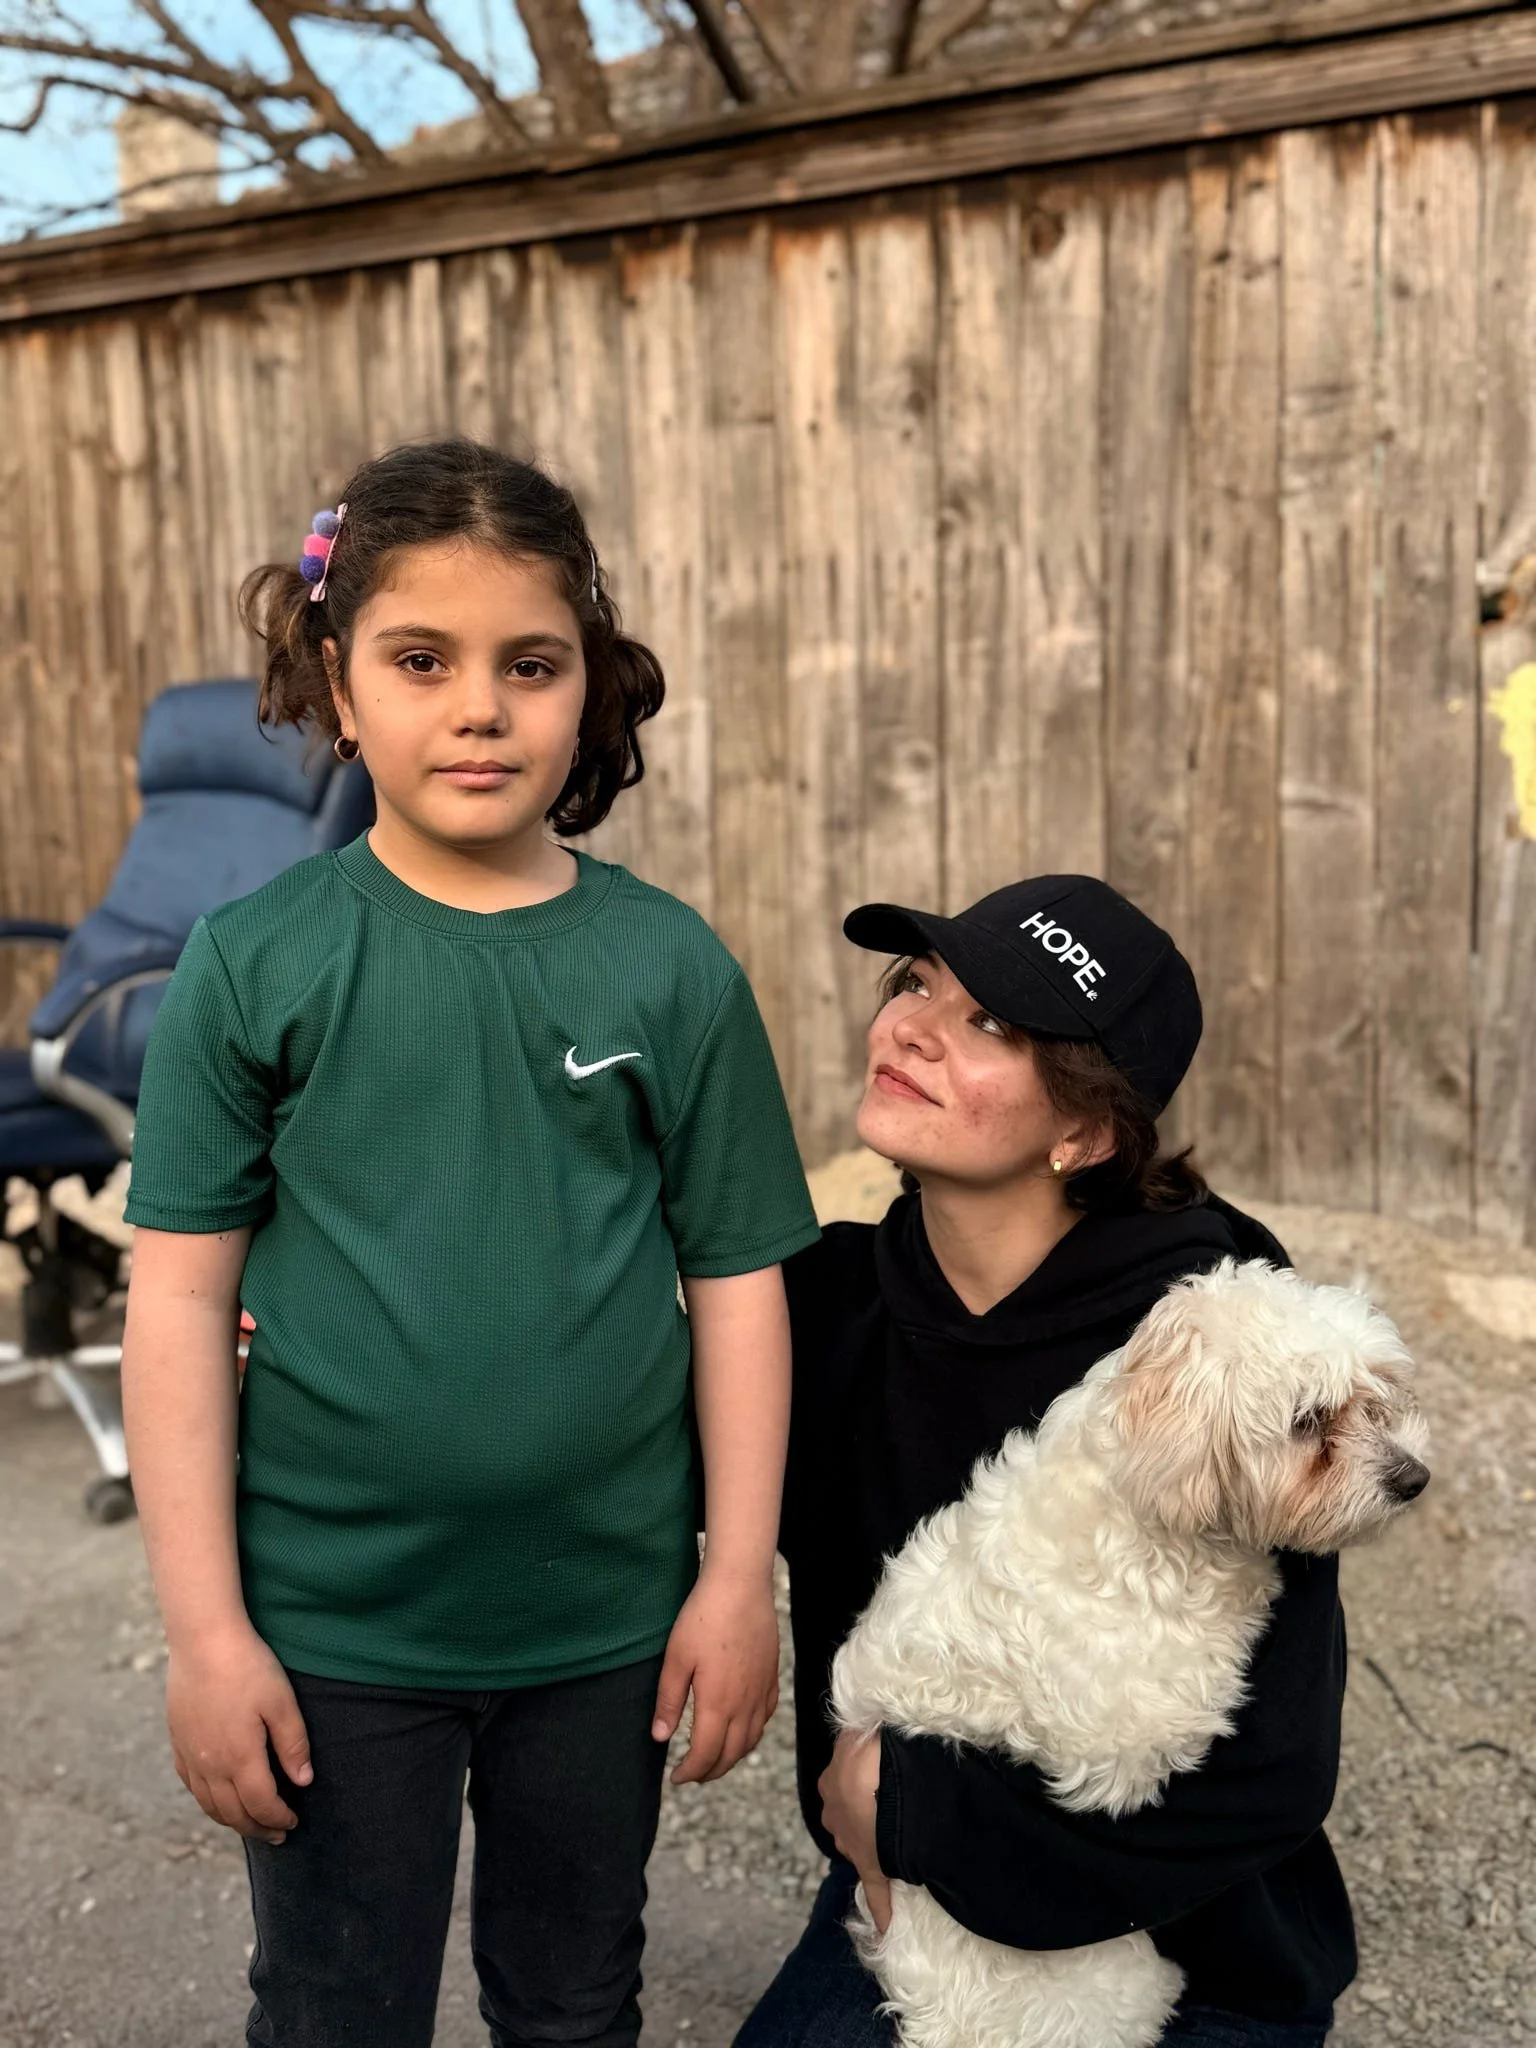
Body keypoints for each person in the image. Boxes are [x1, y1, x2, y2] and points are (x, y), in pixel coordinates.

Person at [120, 438, 821, 2048]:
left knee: (575, 2001)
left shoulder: (670, 969)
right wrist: (208, 1634)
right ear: (338, 686)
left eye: (531, 663)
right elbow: (174, 1306)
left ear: (593, 689)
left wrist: (736, 1581)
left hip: (605, 1626)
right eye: (421, 660)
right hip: (333, 1628)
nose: (481, 707)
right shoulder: (254, 963)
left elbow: (736, 1291)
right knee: (335, 2008)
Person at [738, 876, 1355, 2048]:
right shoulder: (825, 1302)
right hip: (925, 1900)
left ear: (1085, 1130)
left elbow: (1271, 1768)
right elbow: (603, 1416)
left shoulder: (1209, 1349)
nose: (910, 1024)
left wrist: (906, 1809)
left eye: (993, 1025)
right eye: (915, 984)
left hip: (1199, 1935)